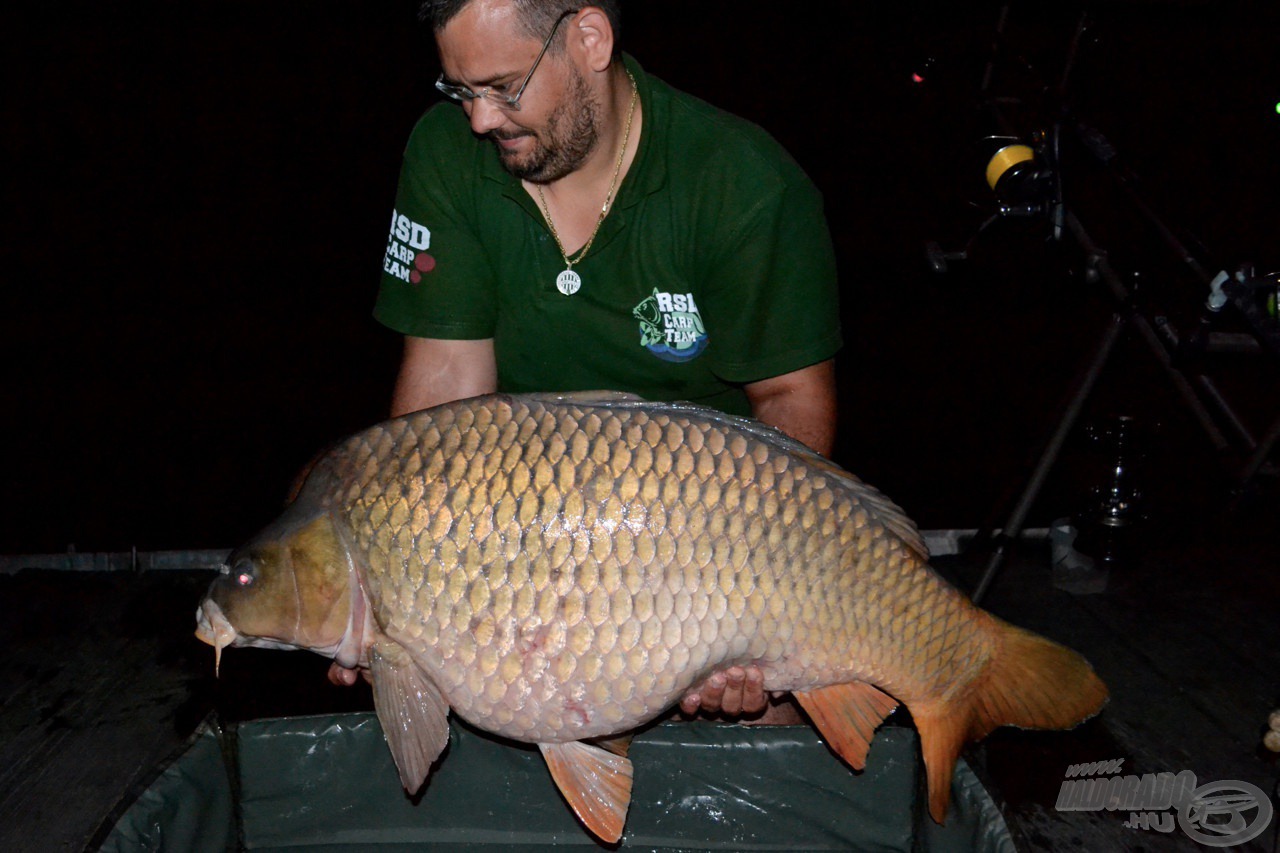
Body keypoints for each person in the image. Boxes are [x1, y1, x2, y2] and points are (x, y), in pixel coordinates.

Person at [333, 0, 842, 723]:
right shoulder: (446, 153)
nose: (479, 120)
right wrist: (389, 581)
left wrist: (755, 604)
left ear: (590, 38)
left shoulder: (743, 181)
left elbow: (793, 394)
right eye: (460, 89)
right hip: (515, 554)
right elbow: (445, 379)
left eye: (504, 87)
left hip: (709, 552)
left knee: (771, 742)